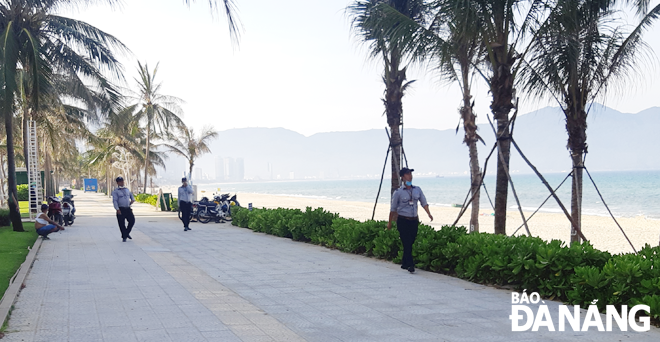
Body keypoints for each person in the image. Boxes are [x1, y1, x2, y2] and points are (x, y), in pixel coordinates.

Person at [387, 168, 434, 273]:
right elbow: (393, 209)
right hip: (403, 221)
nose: (410, 176)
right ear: (403, 177)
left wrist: (429, 213)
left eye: (411, 174)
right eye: (408, 174)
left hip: (414, 220)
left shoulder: (417, 189)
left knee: (411, 241)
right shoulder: (398, 192)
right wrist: (389, 222)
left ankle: (404, 262)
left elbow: (423, 202)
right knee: (407, 242)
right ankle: (410, 265)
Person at [112, 176, 135, 242]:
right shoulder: (116, 191)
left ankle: (126, 233)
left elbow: (131, 195)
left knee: (132, 221)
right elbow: (115, 201)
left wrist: (132, 200)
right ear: (117, 183)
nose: (122, 183)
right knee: (121, 224)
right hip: (120, 208)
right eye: (120, 182)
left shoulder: (126, 189)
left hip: (127, 208)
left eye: (122, 181)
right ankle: (124, 236)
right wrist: (117, 209)